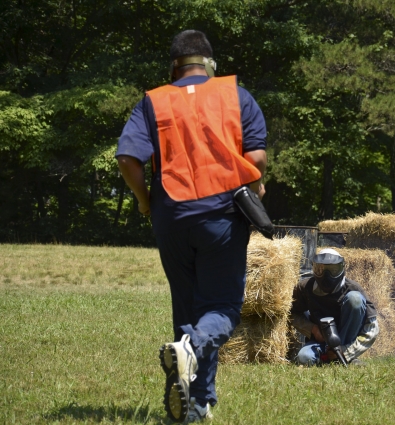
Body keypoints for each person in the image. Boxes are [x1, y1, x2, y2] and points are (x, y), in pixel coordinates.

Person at [116, 30, 267, 423]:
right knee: (222, 308)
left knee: (188, 307)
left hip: (172, 217)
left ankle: (196, 405)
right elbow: (257, 156)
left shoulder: (153, 100)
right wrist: (254, 183)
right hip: (222, 216)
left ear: (174, 66)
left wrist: (145, 200)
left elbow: (128, 159)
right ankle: (192, 349)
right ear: (210, 64)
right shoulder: (236, 95)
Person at [290, 248, 379, 366]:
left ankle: (341, 357)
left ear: (342, 268)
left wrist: (346, 351)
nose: (326, 276)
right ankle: (337, 359)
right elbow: (291, 313)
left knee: (355, 299)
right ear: (314, 268)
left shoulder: (352, 288)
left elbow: (372, 328)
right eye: (320, 269)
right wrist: (312, 329)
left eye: (333, 270)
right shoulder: (305, 287)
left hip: (346, 343)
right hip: (319, 342)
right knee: (304, 357)